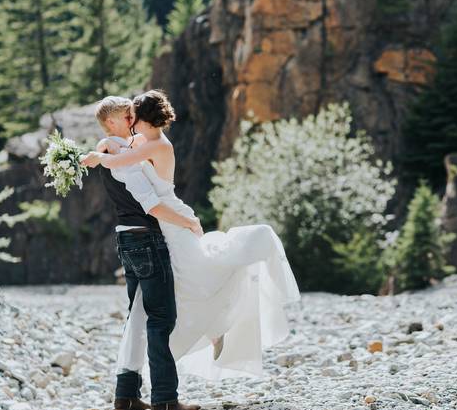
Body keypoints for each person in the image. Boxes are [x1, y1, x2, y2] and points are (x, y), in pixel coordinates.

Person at [81, 90, 300, 385]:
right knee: (185, 279)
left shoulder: (155, 144)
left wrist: (97, 155)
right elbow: (122, 150)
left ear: (143, 118)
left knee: (195, 274)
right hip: (165, 220)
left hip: (171, 216)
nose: (130, 120)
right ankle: (213, 332)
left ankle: (216, 329)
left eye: (133, 115)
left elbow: (119, 162)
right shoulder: (143, 141)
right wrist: (107, 143)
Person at [89, 95, 201, 410]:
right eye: (127, 116)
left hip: (126, 237)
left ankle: (125, 395)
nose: (133, 120)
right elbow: (151, 204)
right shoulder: (124, 158)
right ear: (113, 122)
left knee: (136, 317)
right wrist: (189, 221)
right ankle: (165, 399)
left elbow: (114, 150)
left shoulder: (114, 149)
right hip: (146, 238)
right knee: (160, 318)